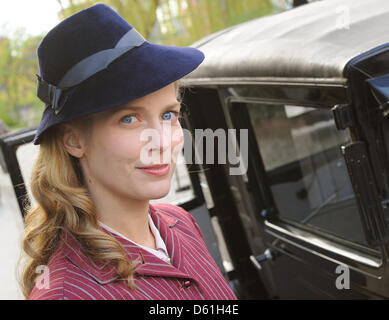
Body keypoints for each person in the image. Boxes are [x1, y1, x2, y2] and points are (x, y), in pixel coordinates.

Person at [18, 3, 237, 300]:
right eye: (129, 119)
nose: (161, 141)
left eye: (169, 115)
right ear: (73, 141)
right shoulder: (66, 294)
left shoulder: (180, 222)